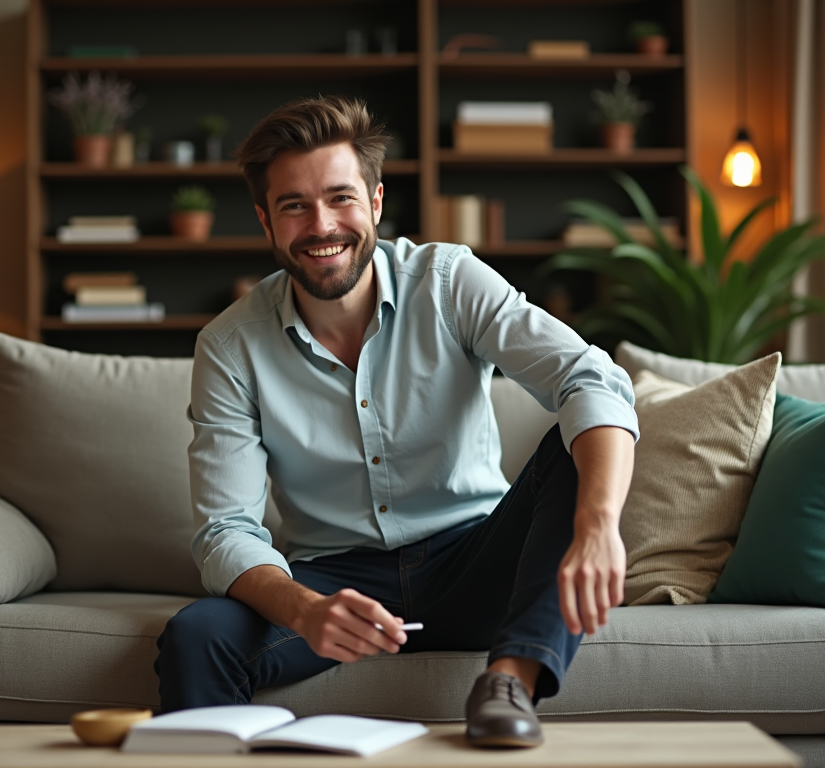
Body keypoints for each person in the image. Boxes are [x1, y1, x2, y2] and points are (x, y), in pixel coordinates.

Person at [155, 95, 638, 749]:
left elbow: (590, 379)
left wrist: (599, 527)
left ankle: (508, 684)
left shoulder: (447, 280)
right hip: (334, 578)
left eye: (340, 197)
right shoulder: (229, 345)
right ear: (265, 220)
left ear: (376, 202)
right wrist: (306, 608)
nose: (321, 224)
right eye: (294, 205)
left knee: (569, 444)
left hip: (476, 562)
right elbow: (225, 530)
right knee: (196, 635)